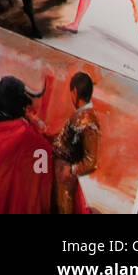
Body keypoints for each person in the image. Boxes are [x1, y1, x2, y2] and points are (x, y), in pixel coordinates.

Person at [51, 72, 100, 214]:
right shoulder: (82, 115)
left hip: (65, 179)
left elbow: (91, 161)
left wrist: (71, 170)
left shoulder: (89, 121)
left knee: (63, 208)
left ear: (74, 92)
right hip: (60, 174)